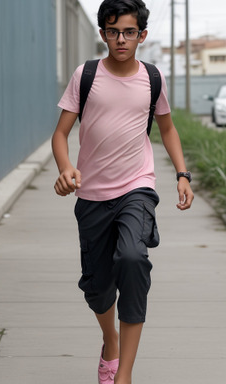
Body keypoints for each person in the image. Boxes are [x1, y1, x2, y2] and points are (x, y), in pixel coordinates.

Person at [52, 0, 194, 383]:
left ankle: (123, 374)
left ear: (141, 36)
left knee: (133, 259)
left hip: (137, 188)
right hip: (92, 195)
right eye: (113, 31)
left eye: (129, 32)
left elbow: (166, 129)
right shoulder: (86, 75)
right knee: (97, 290)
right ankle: (109, 339)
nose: (120, 39)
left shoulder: (151, 78)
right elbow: (61, 134)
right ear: (102, 34)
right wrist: (67, 169)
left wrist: (183, 174)